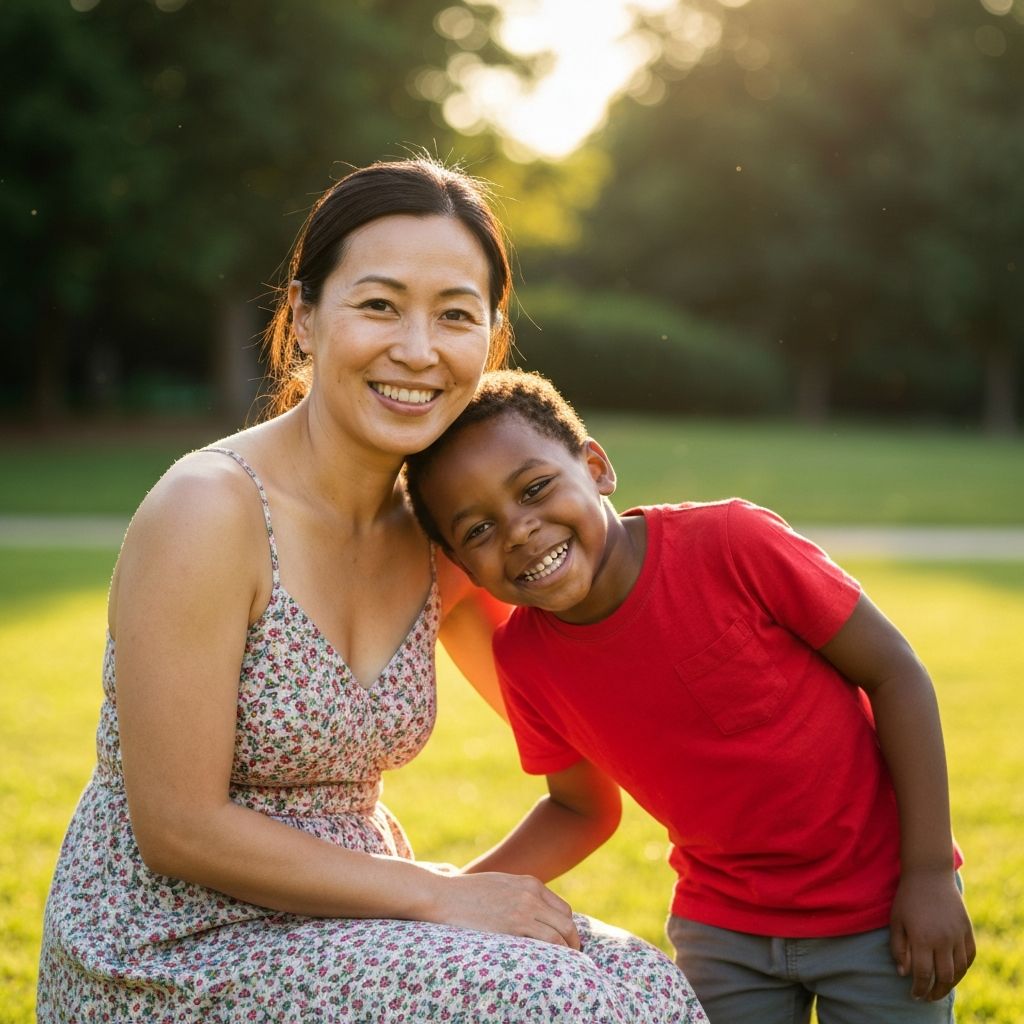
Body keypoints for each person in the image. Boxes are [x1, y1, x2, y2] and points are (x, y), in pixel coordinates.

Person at [36, 160, 705, 1023]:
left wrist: (458, 907)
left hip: (359, 922)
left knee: (644, 983)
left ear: (491, 339)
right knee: (556, 999)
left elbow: (587, 792)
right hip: (171, 944)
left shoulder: (447, 543)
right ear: (304, 317)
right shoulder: (209, 509)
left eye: (455, 315)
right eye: (380, 305)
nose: (419, 350)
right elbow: (177, 828)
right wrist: (437, 899)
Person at [404, 368, 977, 1024]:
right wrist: (449, 896)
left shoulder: (731, 543)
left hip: (880, 908)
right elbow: (580, 809)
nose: (518, 531)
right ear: (461, 563)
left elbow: (896, 674)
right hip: (723, 929)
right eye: (477, 530)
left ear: (596, 468)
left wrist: (929, 873)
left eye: (535, 488)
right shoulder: (523, 660)